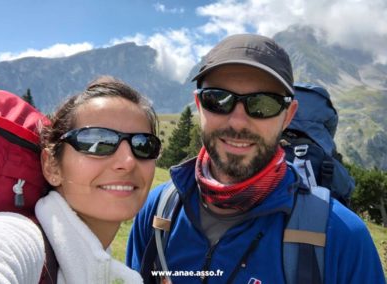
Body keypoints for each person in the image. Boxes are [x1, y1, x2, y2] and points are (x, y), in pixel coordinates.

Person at [126, 34, 385, 283]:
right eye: (218, 99)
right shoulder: (157, 209)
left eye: (263, 104)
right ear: (199, 104)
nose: (238, 122)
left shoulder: (342, 236)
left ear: (288, 115)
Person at [0, 76, 162, 284]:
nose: (128, 161)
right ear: (52, 165)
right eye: (97, 141)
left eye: (143, 145)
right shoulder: (18, 241)